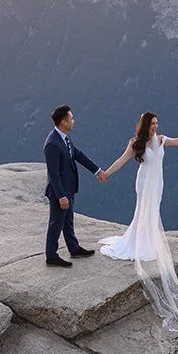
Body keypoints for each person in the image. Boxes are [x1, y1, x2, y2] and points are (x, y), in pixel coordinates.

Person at [99, 111, 178, 335]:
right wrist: (106, 173)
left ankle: (146, 238)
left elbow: (175, 141)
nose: (156, 126)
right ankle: (140, 241)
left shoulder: (161, 139)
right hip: (145, 181)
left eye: (157, 123)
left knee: (153, 211)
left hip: (158, 183)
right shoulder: (136, 143)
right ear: (146, 125)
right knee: (143, 212)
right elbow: (122, 160)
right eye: (153, 123)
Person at [42, 104, 107, 268]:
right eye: (71, 118)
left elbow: (78, 155)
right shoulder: (52, 144)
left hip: (69, 189)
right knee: (56, 223)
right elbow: (54, 173)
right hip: (61, 192)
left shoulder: (64, 138)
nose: (73, 121)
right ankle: (51, 256)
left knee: (68, 221)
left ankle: (74, 248)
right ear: (63, 121)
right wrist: (61, 196)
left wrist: (97, 171)